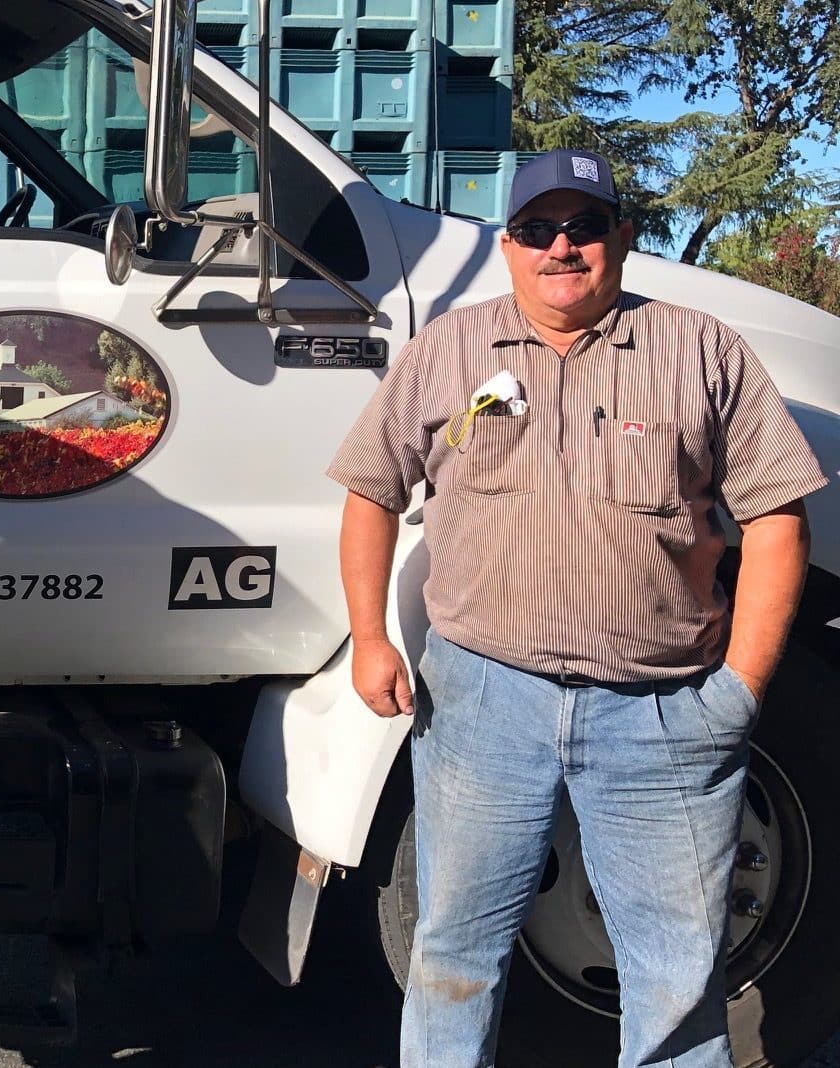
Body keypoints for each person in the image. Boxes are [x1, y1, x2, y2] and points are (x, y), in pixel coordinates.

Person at [327, 148, 827, 1067]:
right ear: (508, 246)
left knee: (676, 976)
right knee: (452, 957)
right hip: (481, 703)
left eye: (584, 227)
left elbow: (779, 521)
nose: (562, 247)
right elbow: (370, 491)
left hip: (663, 713)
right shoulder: (448, 349)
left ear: (621, 241)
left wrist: (741, 691)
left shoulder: (703, 350)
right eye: (536, 230)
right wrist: (369, 639)